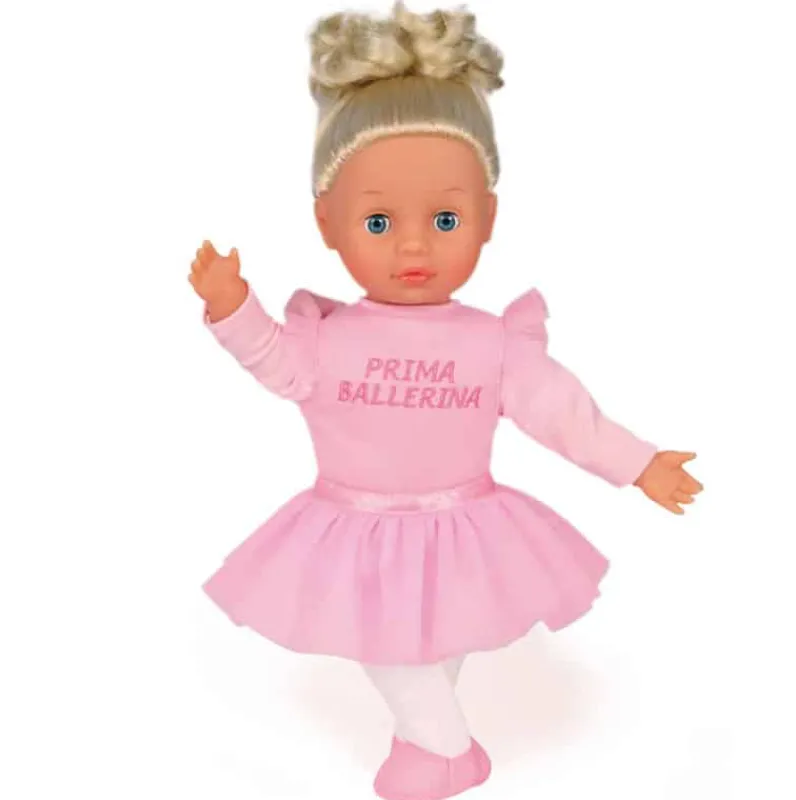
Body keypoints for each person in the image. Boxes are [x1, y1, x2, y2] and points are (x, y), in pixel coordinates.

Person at [187, 3, 703, 798]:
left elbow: (560, 410)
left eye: (446, 218)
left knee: (435, 638)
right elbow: (274, 362)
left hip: (462, 520)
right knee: (389, 644)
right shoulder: (326, 338)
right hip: (355, 523)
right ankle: (445, 748)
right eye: (379, 220)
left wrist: (637, 463)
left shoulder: (492, 343)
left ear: (487, 218)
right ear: (327, 222)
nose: (414, 244)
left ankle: (437, 750)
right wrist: (234, 308)